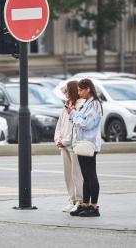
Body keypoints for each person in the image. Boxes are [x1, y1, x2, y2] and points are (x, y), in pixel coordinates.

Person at [65, 78, 102, 217]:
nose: (79, 92)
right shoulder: (87, 103)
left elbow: (87, 124)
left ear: (88, 89)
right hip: (81, 144)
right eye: (78, 90)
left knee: (91, 175)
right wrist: (73, 112)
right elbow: (80, 119)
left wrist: (73, 114)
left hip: (89, 144)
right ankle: (85, 204)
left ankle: (94, 206)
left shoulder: (95, 104)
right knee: (85, 176)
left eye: (81, 90)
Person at [54, 81, 85, 213]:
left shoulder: (80, 105)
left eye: (66, 90)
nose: (64, 93)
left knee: (76, 174)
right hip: (64, 146)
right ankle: (71, 200)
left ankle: (80, 201)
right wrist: (57, 139)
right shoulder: (66, 105)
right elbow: (59, 125)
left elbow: (76, 127)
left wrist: (65, 141)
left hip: (74, 145)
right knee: (67, 175)